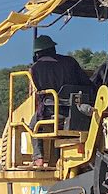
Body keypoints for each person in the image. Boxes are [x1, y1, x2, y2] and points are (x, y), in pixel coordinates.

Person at [28, 34, 94, 167]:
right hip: (75, 109)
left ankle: (38, 158)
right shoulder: (70, 62)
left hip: (51, 109)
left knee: (33, 125)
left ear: (37, 53)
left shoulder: (36, 69)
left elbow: (38, 92)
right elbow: (86, 83)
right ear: (53, 49)